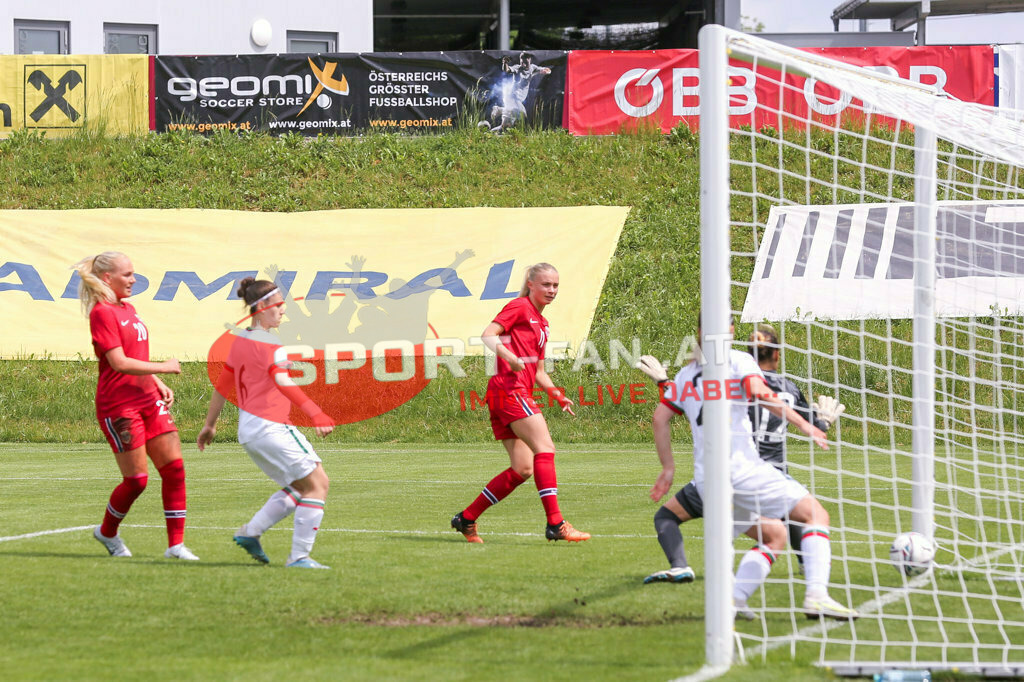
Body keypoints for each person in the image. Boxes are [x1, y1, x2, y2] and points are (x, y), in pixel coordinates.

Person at [636, 316, 858, 621]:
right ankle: (817, 595)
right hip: (742, 470)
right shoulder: (738, 360)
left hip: (707, 482)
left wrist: (668, 468)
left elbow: (660, 418)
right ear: (730, 331)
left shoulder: (687, 375)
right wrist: (807, 424)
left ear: (699, 332)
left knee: (775, 535)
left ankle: (734, 601)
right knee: (816, 515)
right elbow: (761, 394)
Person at [197, 277, 335, 569]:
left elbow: (222, 384)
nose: (283, 310)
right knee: (317, 485)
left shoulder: (241, 340)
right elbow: (282, 380)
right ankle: (299, 557)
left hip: (250, 433)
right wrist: (315, 412)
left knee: (300, 486)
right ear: (261, 307)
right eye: (278, 304)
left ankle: (251, 532)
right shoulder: (271, 343)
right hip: (271, 427)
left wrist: (210, 425)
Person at [451, 263, 589, 543]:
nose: (551, 290)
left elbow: (538, 371)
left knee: (522, 468)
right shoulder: (519, 306)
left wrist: (557, 394)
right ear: (531, 284)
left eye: (555, 286)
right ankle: (556, 524)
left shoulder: (542, 323)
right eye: (546, 285)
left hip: (507, 394)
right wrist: (508, 356)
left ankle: (466, 518)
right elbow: (488, 335)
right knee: (545, 448)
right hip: (510, 391)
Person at [75, 251, 198, 561]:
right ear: (107, 278)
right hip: (119, 405)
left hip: (148, 399)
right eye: (127, 274)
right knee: (137, 481)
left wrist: (156, 382)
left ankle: (176, 546)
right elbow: (117, 362)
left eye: (133, 273)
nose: (133, 279)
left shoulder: (128, 308)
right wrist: (164, 367)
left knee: (175, 469)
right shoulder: (102, 313)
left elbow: (134, 354)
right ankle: (107, 532)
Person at [748, 324, 844, 569]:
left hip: (741, 464)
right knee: (802, 514)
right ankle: (807, 565)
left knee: (785, 516)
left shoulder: (738, 384)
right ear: (777, 354)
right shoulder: (788, 388)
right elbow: (816, 426)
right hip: (774, 467)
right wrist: (825, 420)